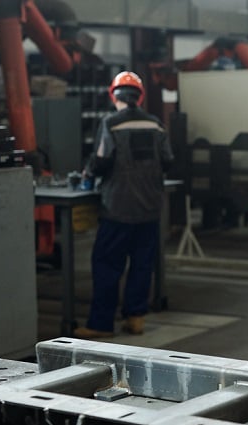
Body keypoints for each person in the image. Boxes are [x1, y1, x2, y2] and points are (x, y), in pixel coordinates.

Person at [74, 71, 174, 339]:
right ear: (139, 96)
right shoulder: (155, 124)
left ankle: (101, 323)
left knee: (107, 264)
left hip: (118, 207)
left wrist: (86, 175)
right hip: (150, 208)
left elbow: (101, 160)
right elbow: (168, 161)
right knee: (142, 263)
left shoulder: (110, 123)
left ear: (113, 95)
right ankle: (136, 318)